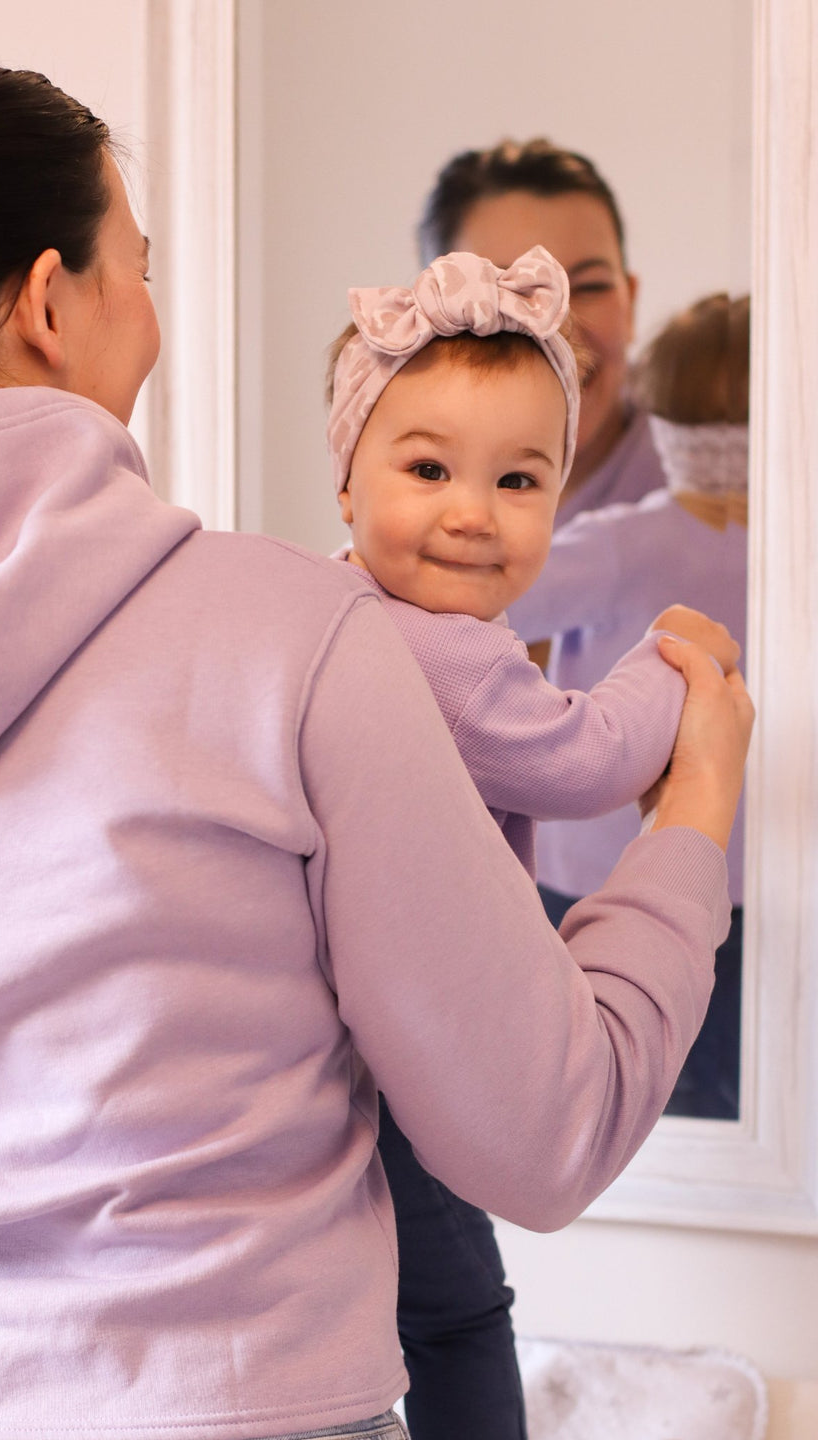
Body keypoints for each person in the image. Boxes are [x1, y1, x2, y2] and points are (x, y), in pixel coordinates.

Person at [0, 44, 751, 1440]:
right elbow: (548, 1131)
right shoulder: (296, 639)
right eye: (136, 267)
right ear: (50, 303)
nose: (150, 316)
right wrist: (694, 813)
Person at [324, 249, 739, 1440]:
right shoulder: (439, 653)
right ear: (347, 479)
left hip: (357, 1037)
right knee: (458, 1310)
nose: (471, 512)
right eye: (427, 468)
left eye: (519, 479)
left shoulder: (331, 607)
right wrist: (671, 661)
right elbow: (587, 761)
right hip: (422, 1048)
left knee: (418, 1297)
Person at [507, 293, 750, 1120]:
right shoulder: (797, 547)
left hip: (594, 868)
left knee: (608, 1063)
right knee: (722, 1077)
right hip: (751, 867)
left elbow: (490, 603)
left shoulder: (617, 542)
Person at [418, 139, 664, 531]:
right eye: (508, 290)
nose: (558, 328)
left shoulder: (727, 510)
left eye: (589, 287)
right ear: (433, 316)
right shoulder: (399, 520)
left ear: (630, 303)